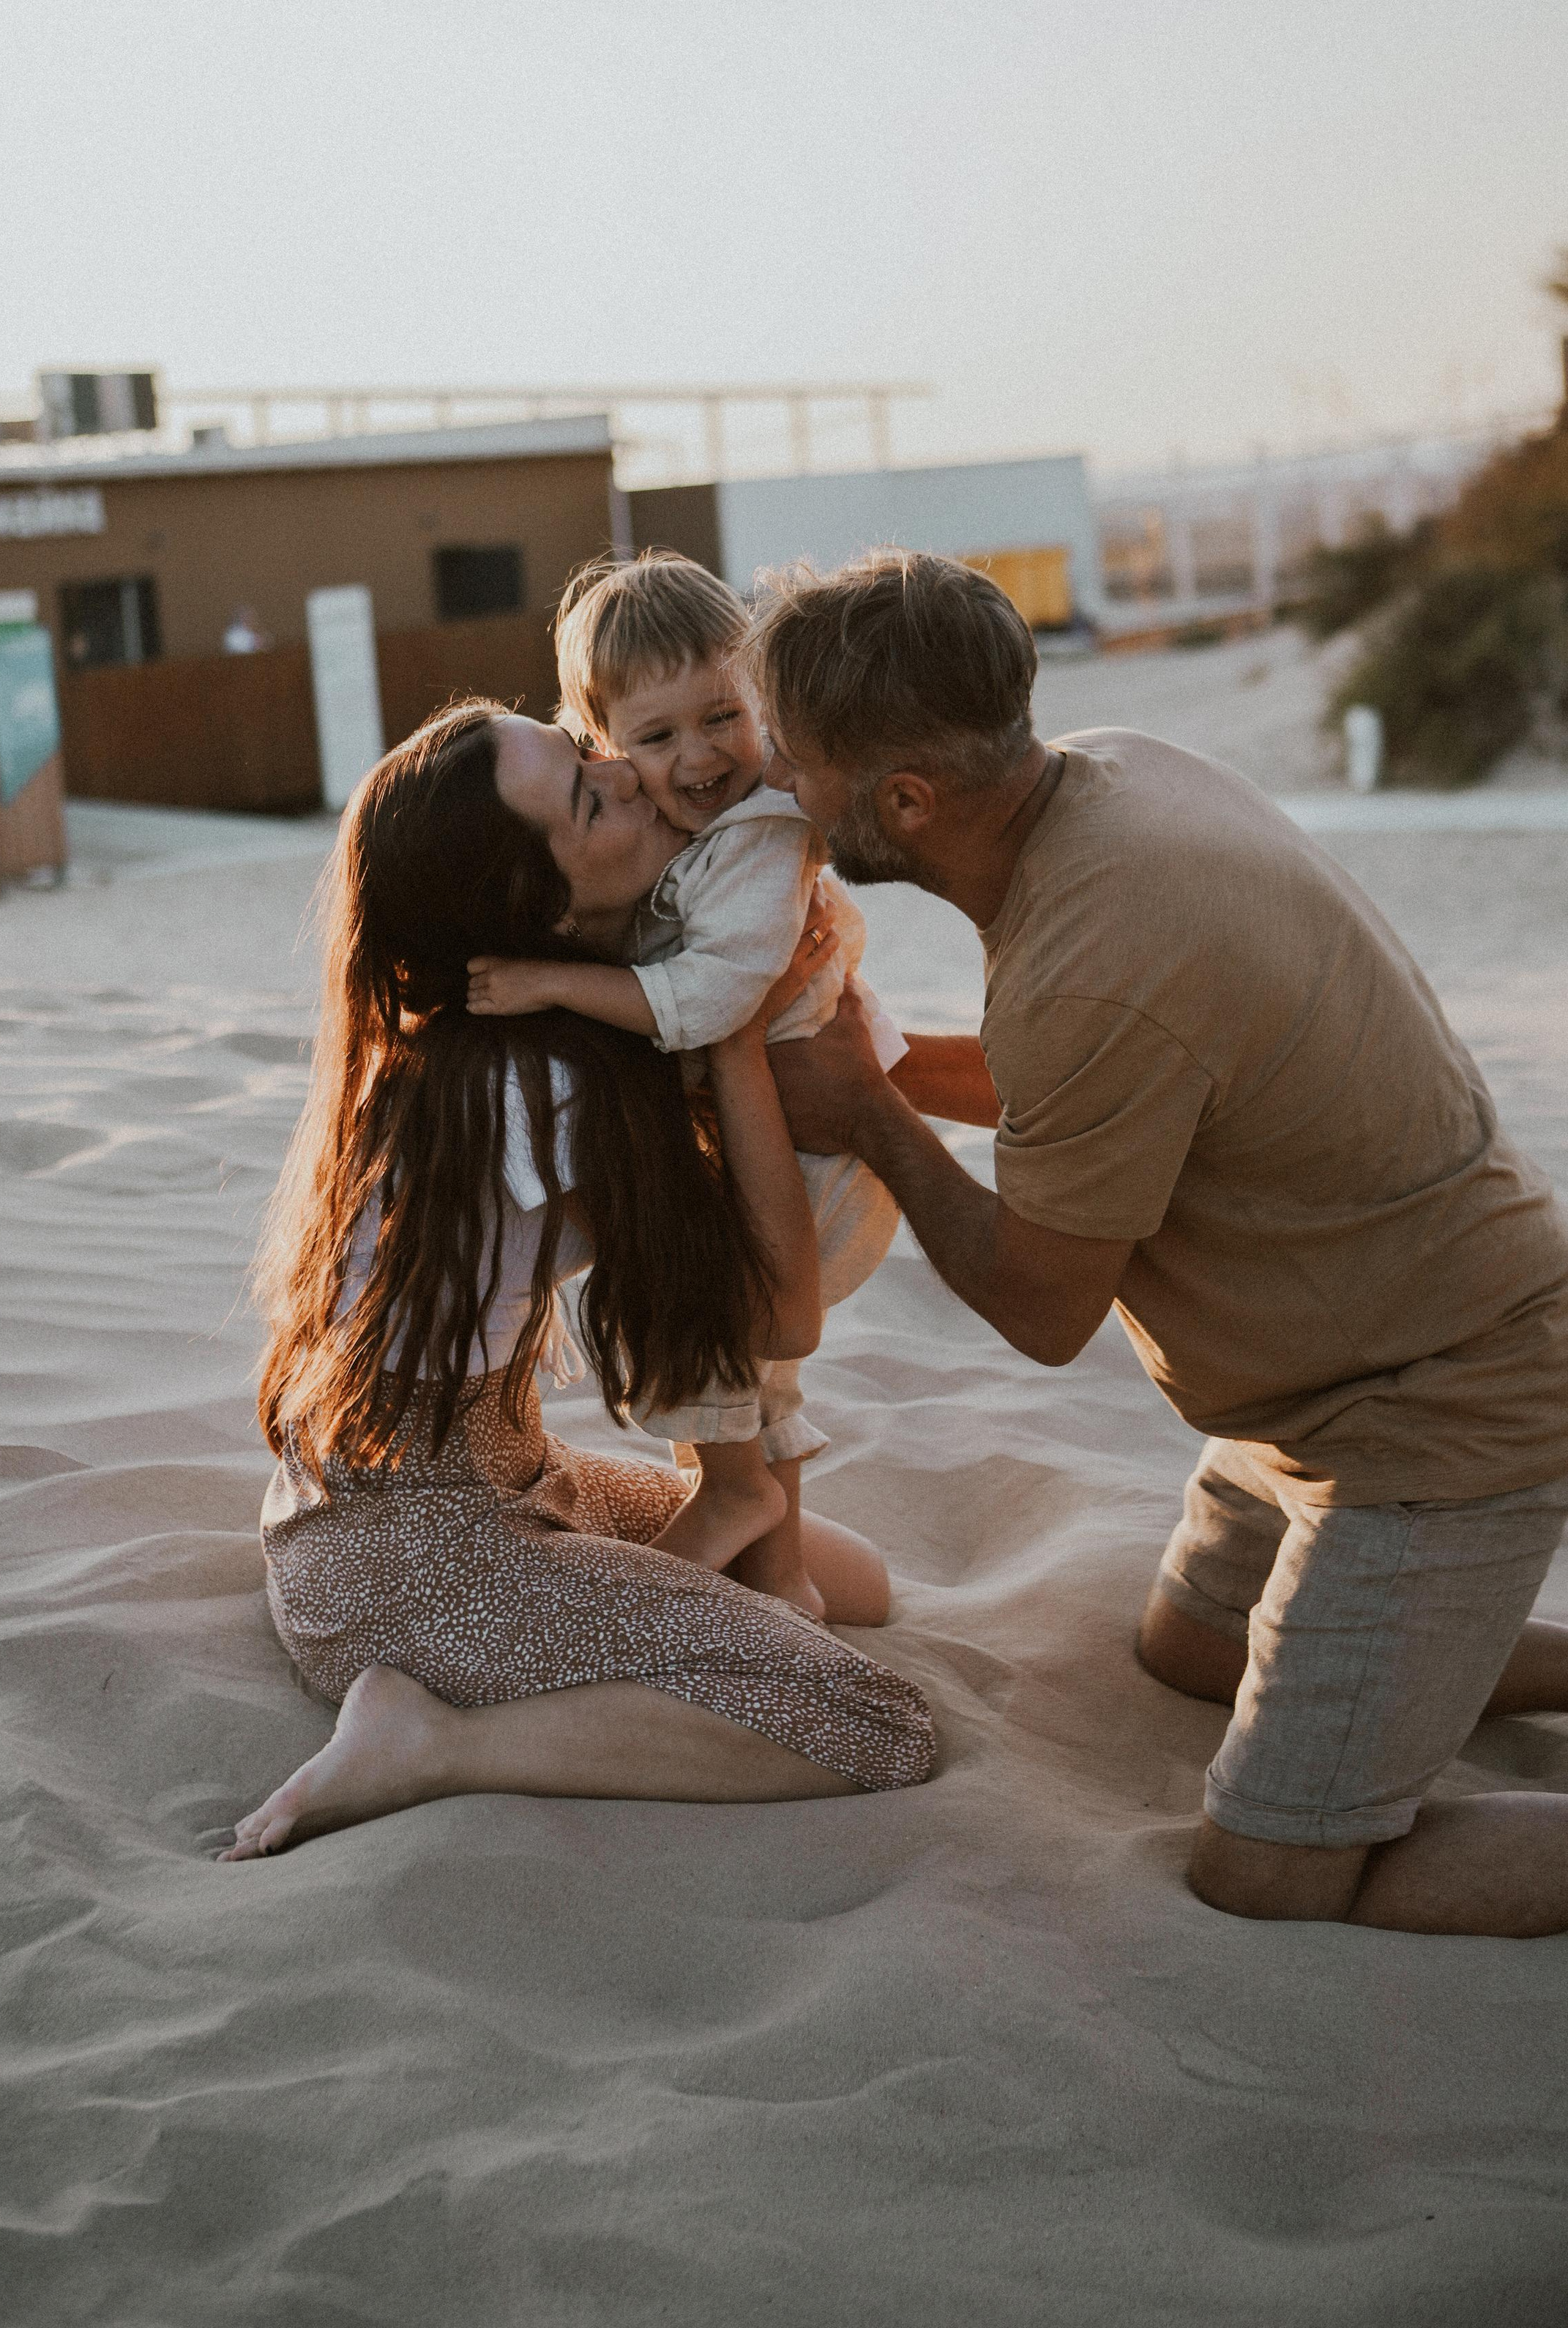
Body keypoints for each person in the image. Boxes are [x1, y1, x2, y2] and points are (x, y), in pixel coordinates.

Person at [746, 545, 1568, 1939]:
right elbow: (1099, 1082)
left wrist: (874, 1118)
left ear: (905, 802)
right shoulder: (1109, 779)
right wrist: (880, 1067)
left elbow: (1041, 1305)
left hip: (1435, 1406)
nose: (775, 783)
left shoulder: (1095, 955)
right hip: (1319, 1384)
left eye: (795, 761)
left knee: (1272, 1874)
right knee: (1192, 1645)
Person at [222, 700, 934, 1861]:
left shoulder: (472, 1038)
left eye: (589, 751)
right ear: (538, 911)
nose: (632, 778)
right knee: (873, 1723)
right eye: (588, 797)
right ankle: (437, 1743)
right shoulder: (534, 1082)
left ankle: (520, 1680)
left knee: (855, 1583)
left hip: (484, 1485)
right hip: (416, 1559)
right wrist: (734, 1022)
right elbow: (783, 1311)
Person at [465, 553, 911, 1614]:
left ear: (760, 697)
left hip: (821, 1160)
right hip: (799, 1142)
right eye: (658, 738)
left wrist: (551, 982)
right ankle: (782, 1579)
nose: (702, 757)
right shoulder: (691, 834)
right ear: (606, 747)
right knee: (753, 1374)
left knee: (701, 1310)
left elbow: (712, 1004)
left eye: (722, 717)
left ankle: (733, 1493)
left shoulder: (758, 837)